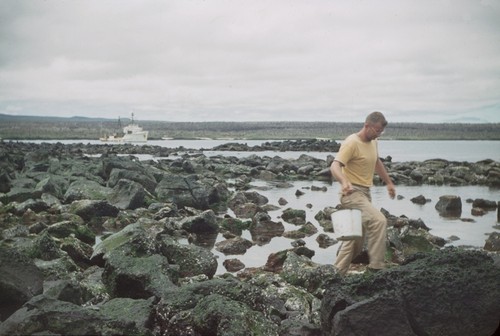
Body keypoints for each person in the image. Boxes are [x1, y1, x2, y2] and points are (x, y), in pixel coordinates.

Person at [330, 111, 396, 275]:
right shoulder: (351, 143)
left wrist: (388, 182)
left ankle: (335, 275)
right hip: (352, 193)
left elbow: (376, 161)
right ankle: (376, 269)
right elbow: (334, 166)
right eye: (377, 131)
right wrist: (344, 181)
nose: (378, 134)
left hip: (365, 193)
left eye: (381, 132)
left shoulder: (373, 142)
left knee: (355, 241)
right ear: (367, 125)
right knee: (379, 221)